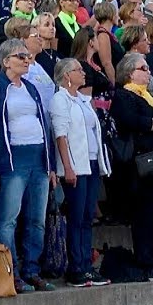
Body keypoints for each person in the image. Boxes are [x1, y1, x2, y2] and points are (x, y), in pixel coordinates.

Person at [0, 38, 59, 292]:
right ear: (6, 62)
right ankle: (9, 273)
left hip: (38, 161)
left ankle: (32, 270)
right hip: (12, 162)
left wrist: (51, 165)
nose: (27, 60)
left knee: (37, 220)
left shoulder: (32, 88)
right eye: (21, 56)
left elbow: (45, 127)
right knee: (7, 220)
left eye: (28, 56)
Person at [109, 51, 153, 281]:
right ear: (130, 73)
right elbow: (132, 121)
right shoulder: (124, 95)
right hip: (138, 164)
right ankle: (145, 261)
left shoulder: (149, 96)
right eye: (143, 69)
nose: (148, 72)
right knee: (143, 213)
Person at [50, 57, 111, 287]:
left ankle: (86, 265)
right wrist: (67, 166)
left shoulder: (83, 100)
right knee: (76, 218)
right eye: (78, 70)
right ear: (66, 75)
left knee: (87, 217)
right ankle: (75, 267)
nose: (83, 73)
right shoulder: (60, 99)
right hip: (75, 166)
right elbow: (61, 134)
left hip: (92, 163)